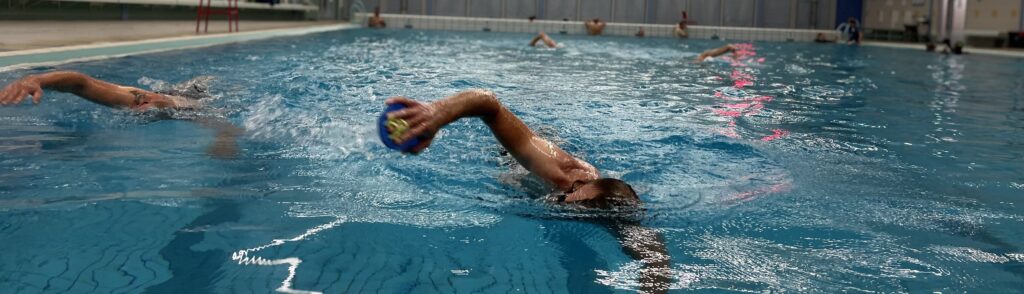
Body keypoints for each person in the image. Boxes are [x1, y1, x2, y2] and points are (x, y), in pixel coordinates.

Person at [384, 89, 672, 292]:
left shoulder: (614, 207)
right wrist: (437, 113)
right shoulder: (559, 173)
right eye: (568, 196)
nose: (561, 202)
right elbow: (487, 103)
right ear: (579, 184)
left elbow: (656, 259)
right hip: (518, 158)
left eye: (568, 204)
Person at [0, 71, 242, 158]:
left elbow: (225, 126)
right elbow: (79, 83)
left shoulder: (183, 108)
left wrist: (225, 139)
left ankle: (204, 83)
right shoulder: (139, 99)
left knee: (204, 90)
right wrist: (34, 80)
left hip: (185, 100)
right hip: (169, 97)